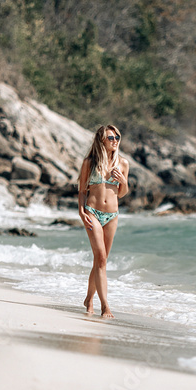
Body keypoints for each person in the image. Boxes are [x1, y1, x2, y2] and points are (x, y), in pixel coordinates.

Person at [77, 124, 129, 318]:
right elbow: (82, 190)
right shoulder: (89, 163)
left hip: (112, 216)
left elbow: (122, 193)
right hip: (92, 212)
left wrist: (123, 181)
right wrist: (82, 212)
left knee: (101, 260)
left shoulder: (123, 163)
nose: (115, 141)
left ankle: (89, 298)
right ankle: (105, 305)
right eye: (110, 138)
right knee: (100, 258)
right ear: (101, 140)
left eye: (117, 137)